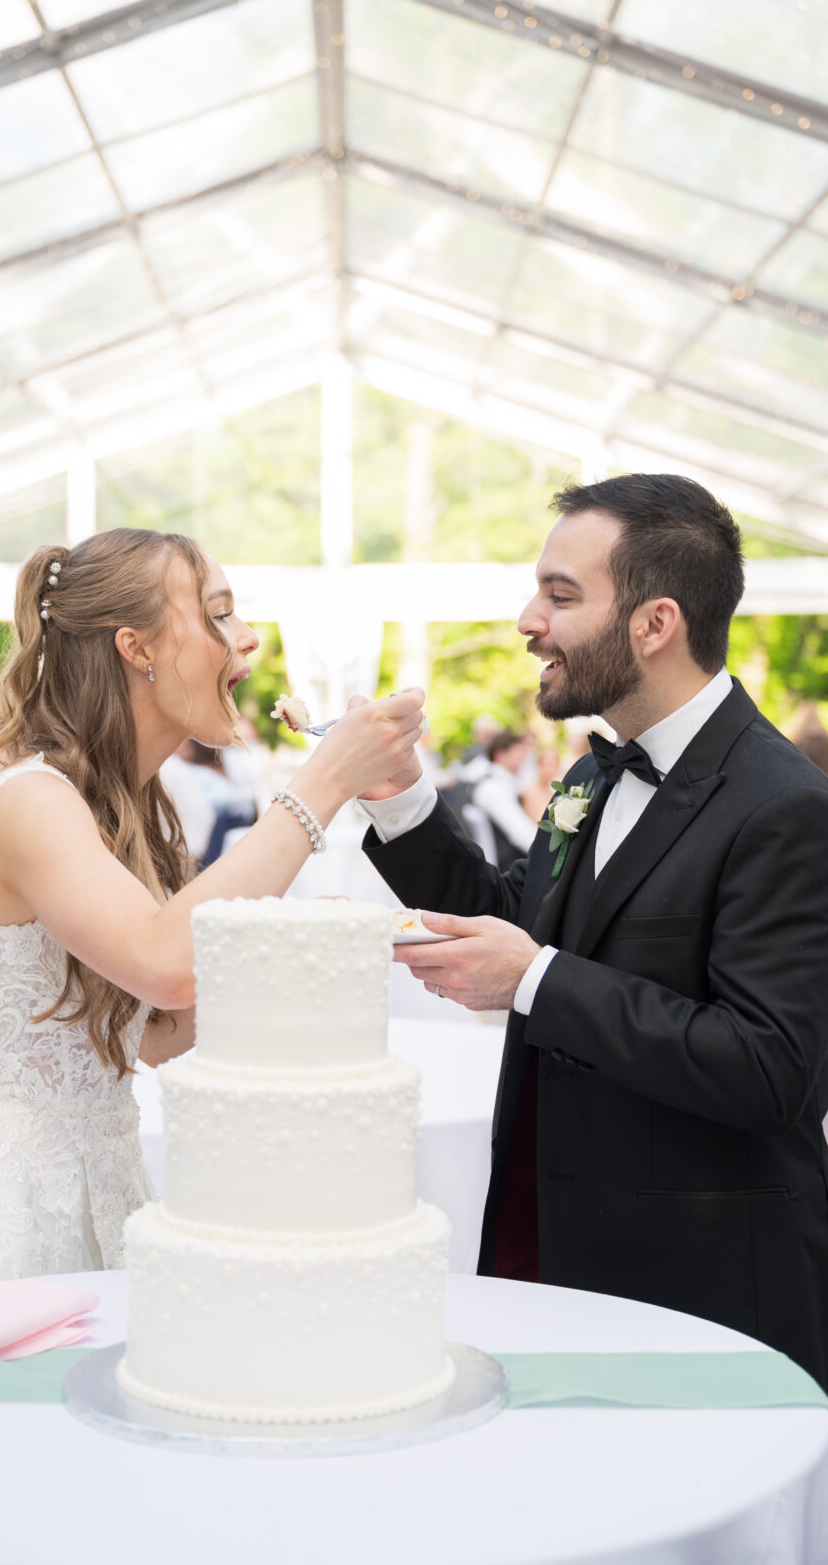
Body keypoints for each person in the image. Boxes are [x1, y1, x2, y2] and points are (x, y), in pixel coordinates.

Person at [0, 527, 423, 1335]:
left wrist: (293, 945)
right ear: (135, 647)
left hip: (101, 1176)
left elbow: (159, 1034)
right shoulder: (34, 798)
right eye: (218, 615)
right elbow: (165, 965)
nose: (246, 639)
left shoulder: (129, 809)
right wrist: (320, 784)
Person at [360, 474, 828, 1387]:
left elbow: (771, 1067)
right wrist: (398, 799)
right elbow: (517, 920)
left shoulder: (785, 806)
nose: (528, 620)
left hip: (703, 1284)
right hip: (554, 1239)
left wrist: (535, 981)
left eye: (560, 595)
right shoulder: (592, 775)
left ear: (654, 624)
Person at [470, 729, 538, 871]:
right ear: (500, 754)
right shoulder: (492, 788)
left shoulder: (505, 783)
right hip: (503, 873)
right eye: (518, 752)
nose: (523, 757)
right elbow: (520, 833)